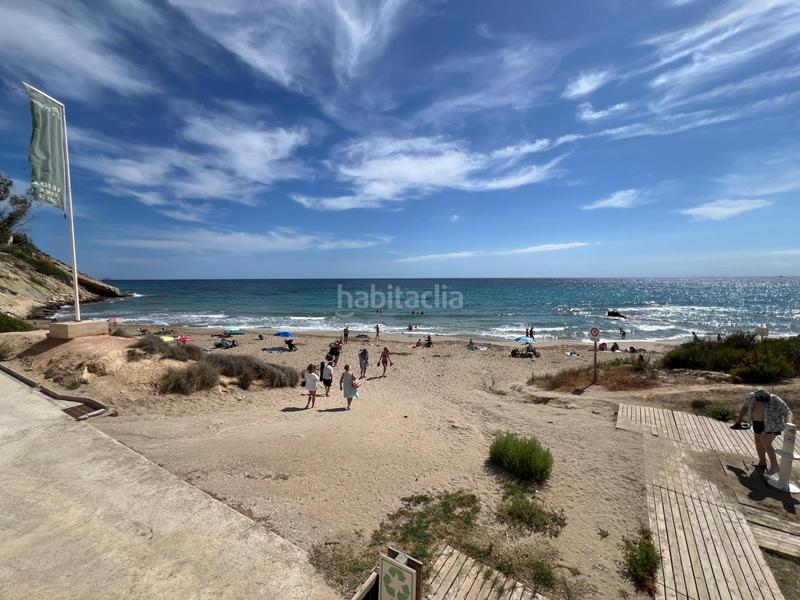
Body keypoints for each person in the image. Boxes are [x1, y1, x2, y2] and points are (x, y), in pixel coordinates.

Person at [734, 388, 793, 474]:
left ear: (768, 395)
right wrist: (739, 420)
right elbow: (745, 407)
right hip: (757, 424)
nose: (763, 402)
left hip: (773, 425)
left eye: (765, 400)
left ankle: (775, 466)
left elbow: (788, 412)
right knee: (758, 443)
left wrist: (789, 423)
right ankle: (762, 463)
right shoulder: (751, 397)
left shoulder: (776, 400)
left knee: (765, 441)